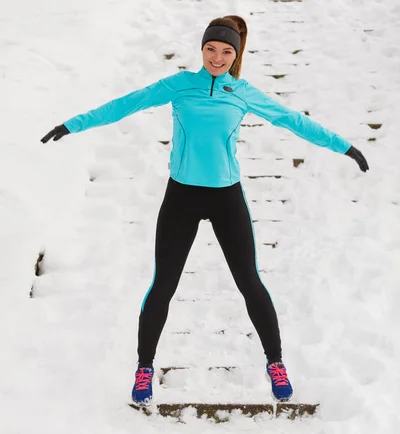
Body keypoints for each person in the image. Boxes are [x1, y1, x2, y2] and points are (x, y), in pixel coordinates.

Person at [41, 15, 369, 407]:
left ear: (236, 54)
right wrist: (74, 124)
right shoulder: (180, 85)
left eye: (226, 51)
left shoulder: (242, 92)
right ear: (201, 50)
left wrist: (343, 146)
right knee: (163, 284)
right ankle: (145, 368)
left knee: (250, 281)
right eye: (211, 49)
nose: (217, 57)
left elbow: (292, 120)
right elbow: (127, 104)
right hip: (181, 196)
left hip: (226, 197)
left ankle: (276, 363)